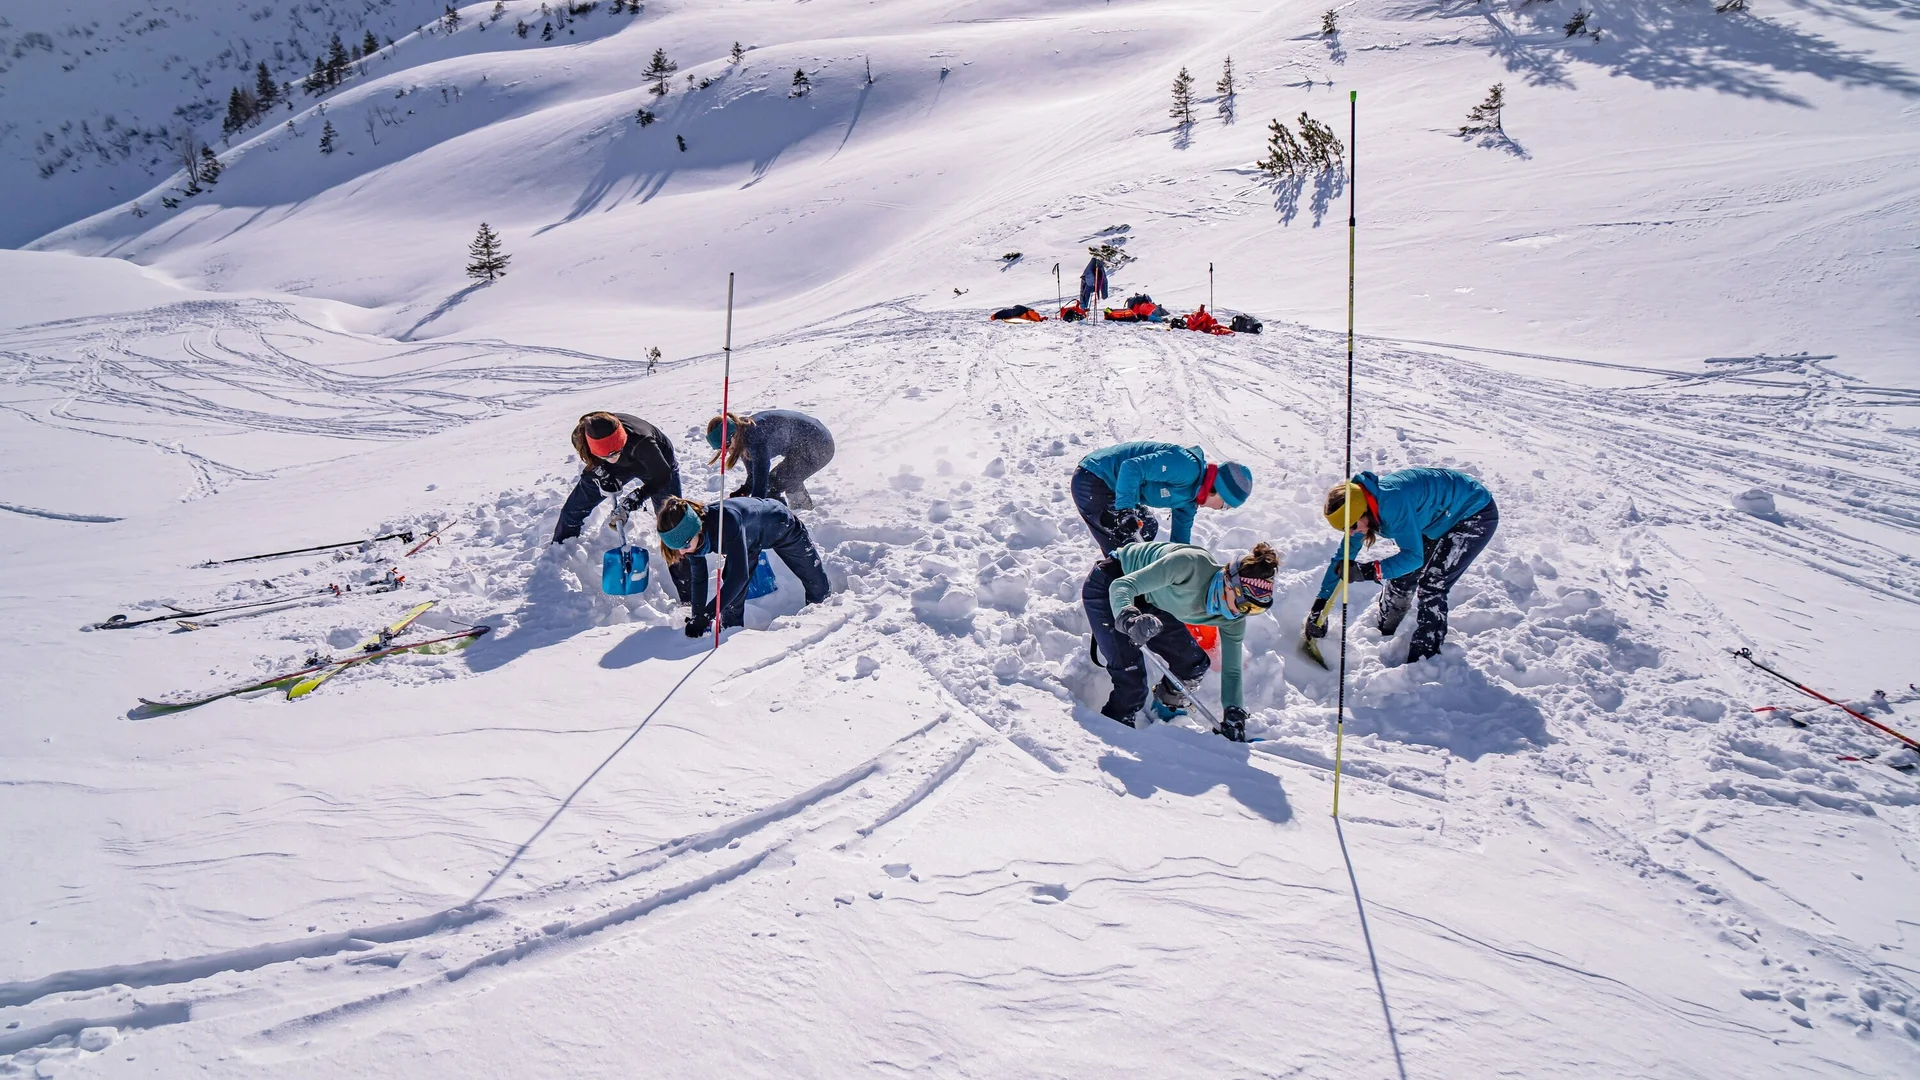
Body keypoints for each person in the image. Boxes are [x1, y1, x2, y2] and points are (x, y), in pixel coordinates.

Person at [1085, 540, 1280, 741]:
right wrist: (1128, 619)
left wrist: (1234, 713)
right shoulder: (1189, 566)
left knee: (1193, 663)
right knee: (1131, 683)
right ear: (1230, 584)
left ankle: (1164, 708)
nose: (1243, 612)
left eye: (1255, 610)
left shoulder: (1232, 618)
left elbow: (1232, 670)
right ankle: (1112, 735)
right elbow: (1122, 585)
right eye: (1245, 604)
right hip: (1113, 583)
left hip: (1151, 599)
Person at [1305, 468, 1499, 664]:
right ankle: (1385, 629)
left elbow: (1414, 557)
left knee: (1433, 584)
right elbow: (1342, 559)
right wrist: (1320, 604)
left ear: (1363, 512)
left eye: (1352, 527)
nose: (1352, 533)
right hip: (1434, 514)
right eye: (1346, 529)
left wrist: (1370, 571)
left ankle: (1424, 661)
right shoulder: (1361, 505)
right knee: (1403, 574)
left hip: (1472, 512)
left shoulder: (1391, 505)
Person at [553, 411, 694, 603]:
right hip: (613, 468)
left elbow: (663, 476)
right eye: (609, 454)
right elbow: (591, 462)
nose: (615, 456)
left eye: (617, 450)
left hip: (656, 468)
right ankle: (557, 555)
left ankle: (689, 597)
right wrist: (603, 473)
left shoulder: (643, 442)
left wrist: (637, 497)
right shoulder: (582, 435)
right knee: (573, 510)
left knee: (674, 527)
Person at [656, 496, 831, 637]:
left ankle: (823, 615)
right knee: (731, 593)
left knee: (814, 579)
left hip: (781, 527)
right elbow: (699, 579)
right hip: (748, 541)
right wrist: (698, 617)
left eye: (685, 545)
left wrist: (708, 614)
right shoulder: (692, 542)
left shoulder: (726, 520)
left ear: (697, 529)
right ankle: (730, 633)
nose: (682, 551)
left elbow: (740, 576)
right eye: (675, 548)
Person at [1072, 441, 1252, 555]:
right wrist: (1125, 511)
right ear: (1219, 491)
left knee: (1147, 527)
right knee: (1127, 552)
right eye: (1225, 506)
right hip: (1095, 477)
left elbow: (1179, 543)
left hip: (1115, 489)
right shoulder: (1187, 467)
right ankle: (1114, 600)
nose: (1220, 510)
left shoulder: (1189, 501)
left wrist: (1182, 566)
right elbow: (1131, 467)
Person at [707, 409, 836, 510]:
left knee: (771, 487)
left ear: (732, 434)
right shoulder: (743, 430)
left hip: (819, 445)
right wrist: (745, 490)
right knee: (783, 478)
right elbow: (754, 474)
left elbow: (761, 485)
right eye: (721, 449)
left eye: (727, 446)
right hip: (805, 444)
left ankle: (784, 526)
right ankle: (802, 507)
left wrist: (756, 512)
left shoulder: (755, 438)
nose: (728, 451)